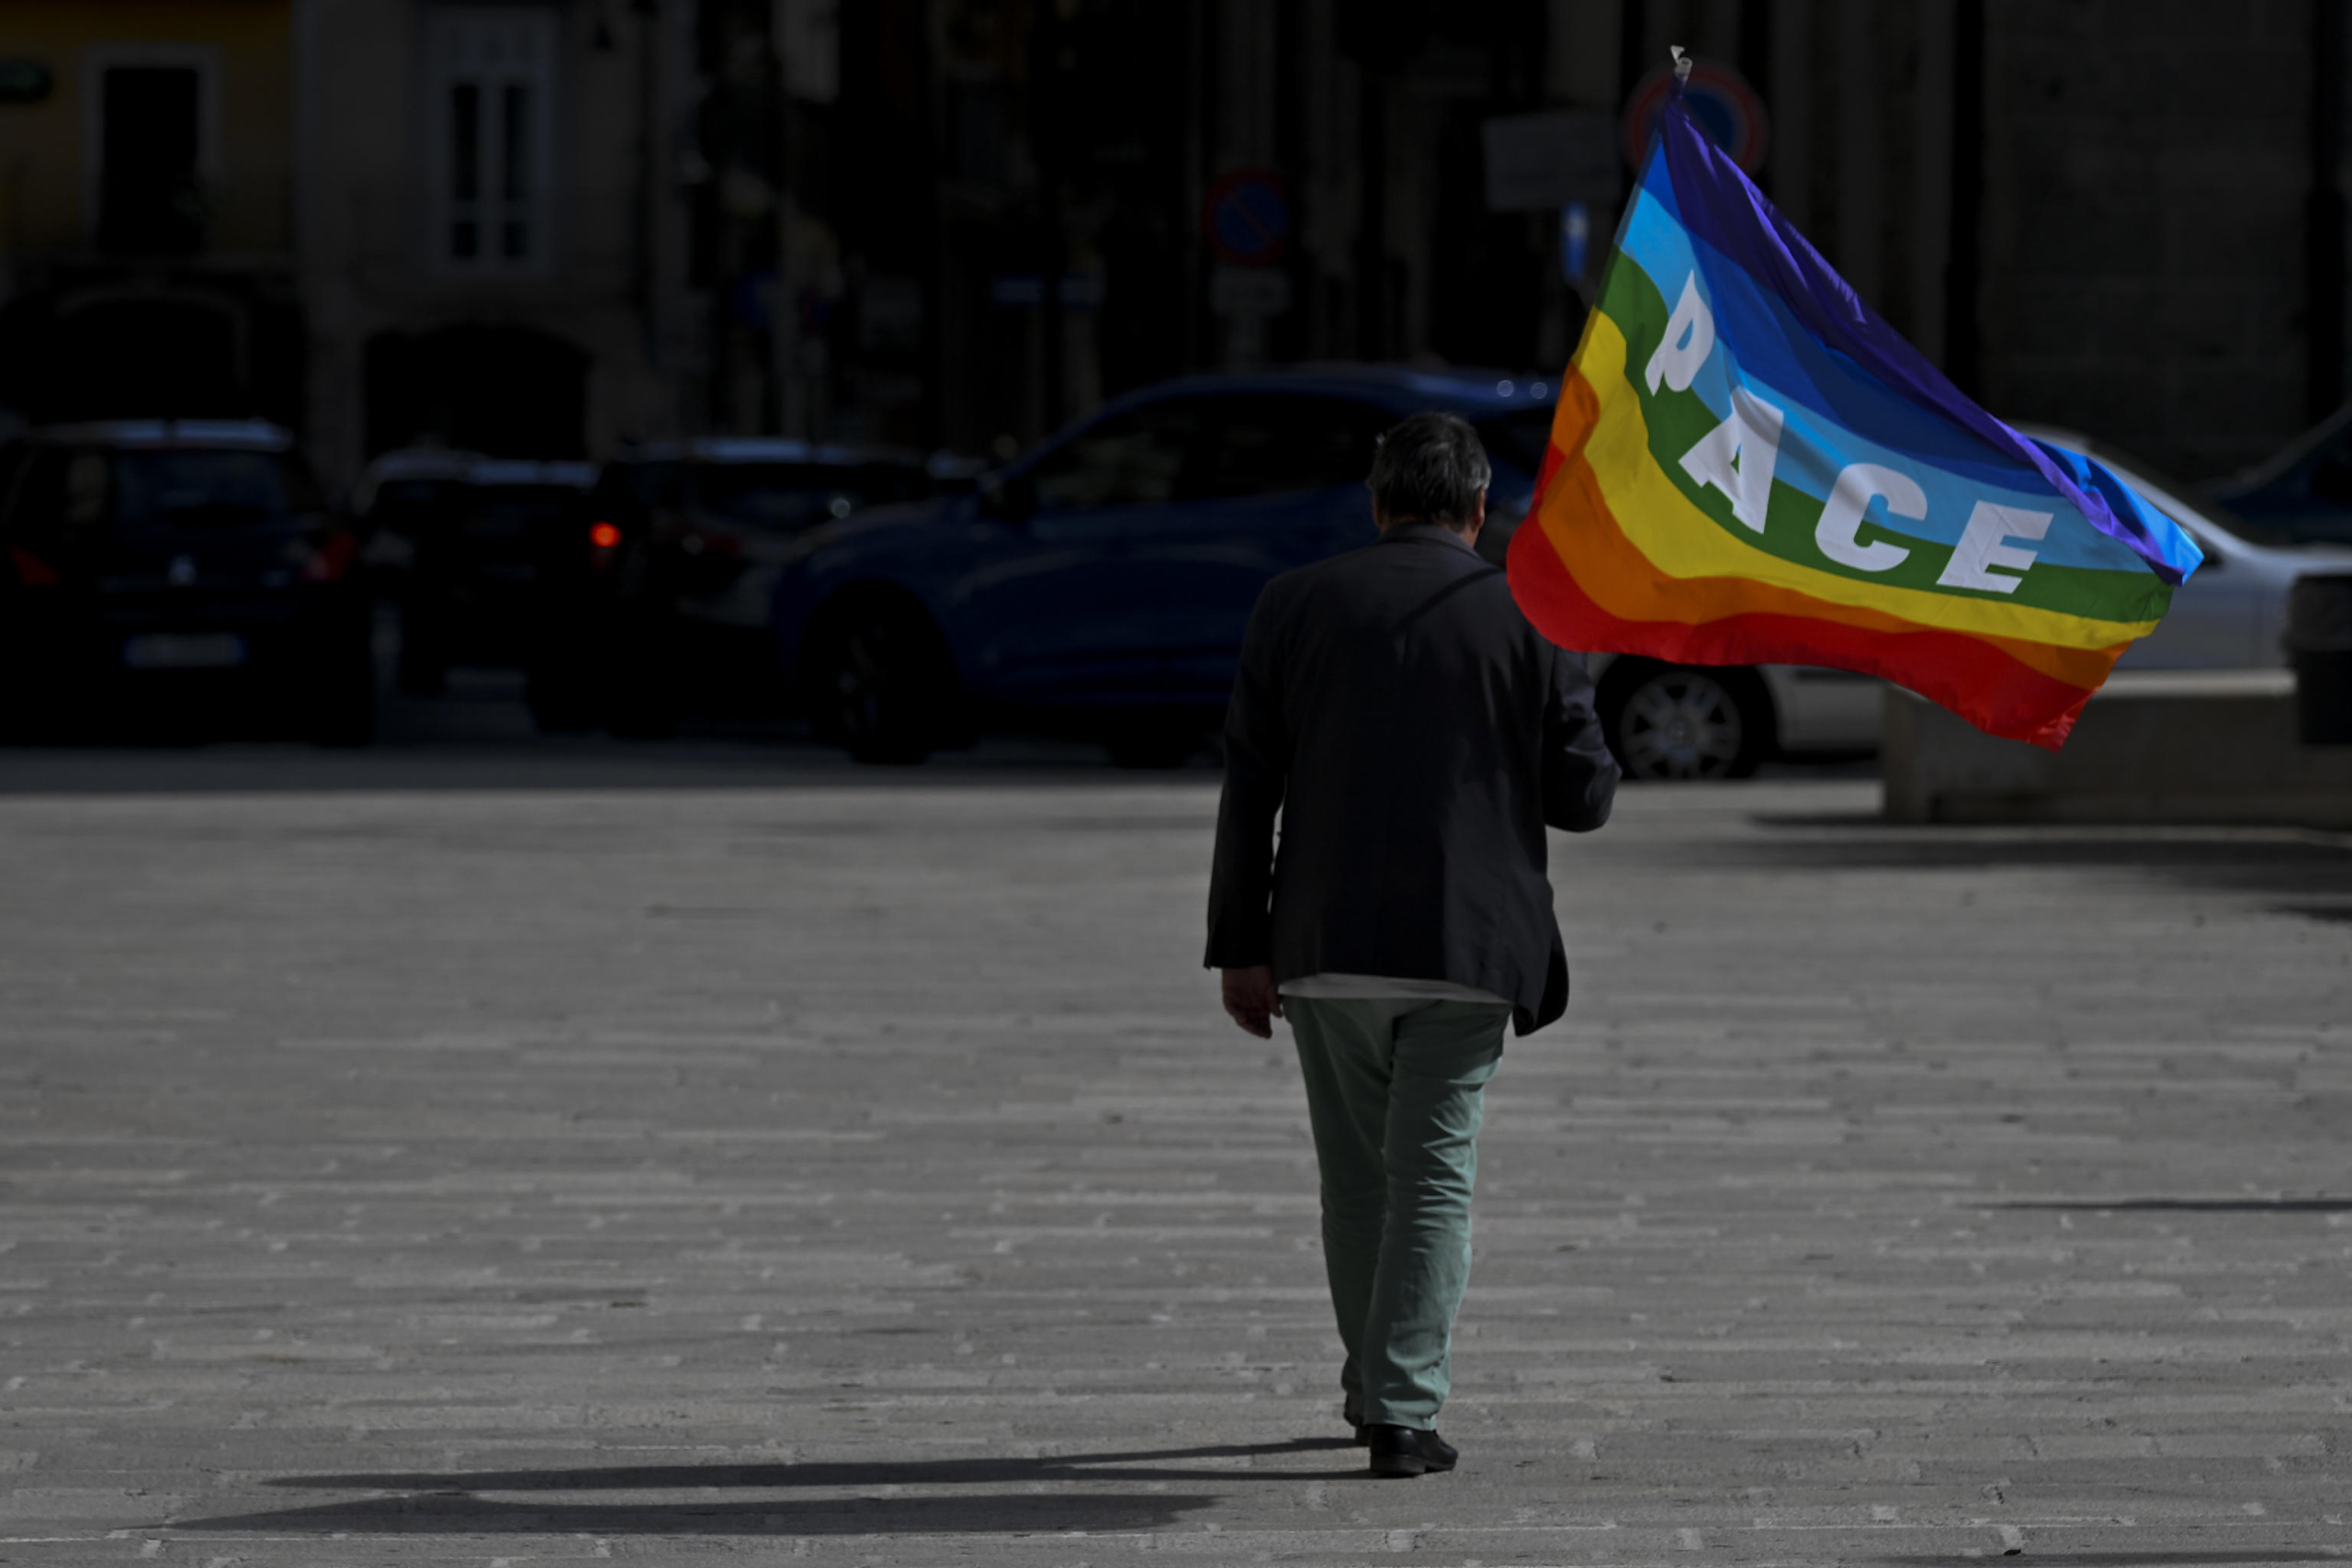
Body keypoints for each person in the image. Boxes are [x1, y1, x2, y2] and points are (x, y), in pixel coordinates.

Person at [1204, 411, 1619, 1478]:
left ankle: (1373, 1387)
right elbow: (1582, 800)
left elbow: (1250, 787)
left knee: (1356, 1179)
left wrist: (1238, 948)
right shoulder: (1533, 614)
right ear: (1481, 510)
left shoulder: (1293, 603)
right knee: (1431, 1175)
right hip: (1466, 947)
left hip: (1325, 940)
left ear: (1378, 503)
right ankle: (1400, 1408)